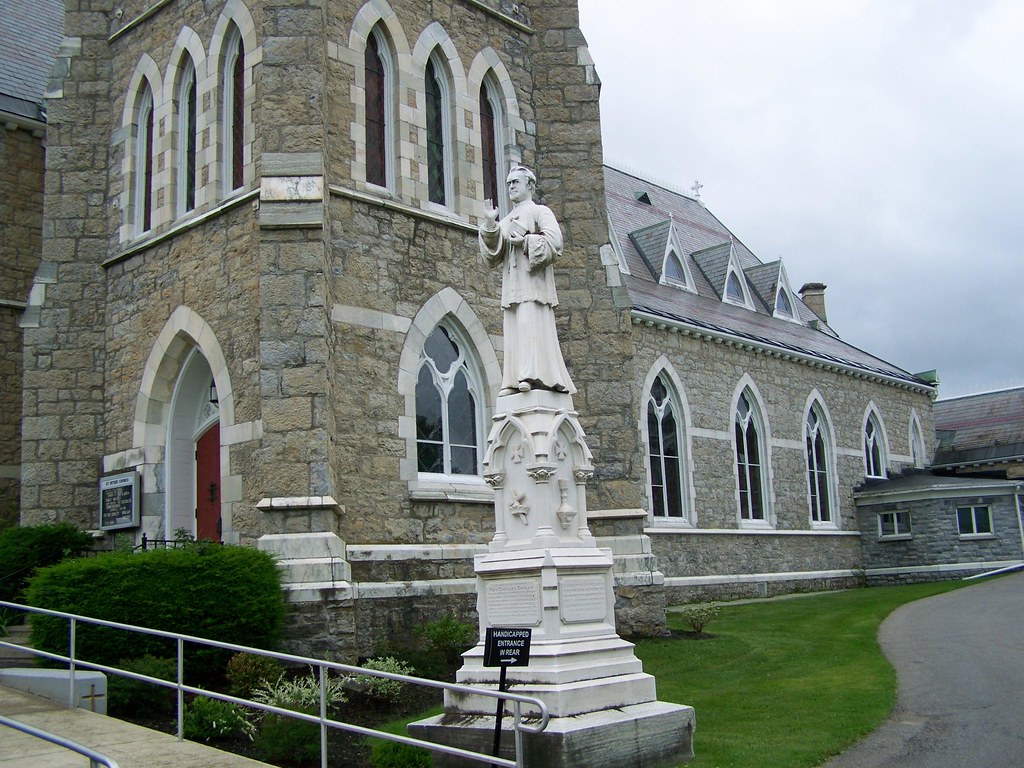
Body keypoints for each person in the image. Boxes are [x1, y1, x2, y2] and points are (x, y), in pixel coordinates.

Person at [479, 166, 576, 395]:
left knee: (530, 326)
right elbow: (493, 253)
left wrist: (525, 241)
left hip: (534, 287)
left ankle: (532, 377)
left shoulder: (539, 212)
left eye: (516, 182)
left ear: (530, 185)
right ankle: (513, 380)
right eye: (509, 183)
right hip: (513, 288)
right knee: (514, 330)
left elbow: (555, 243)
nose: (511, 186)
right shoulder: (508, 218)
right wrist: (491, 225)